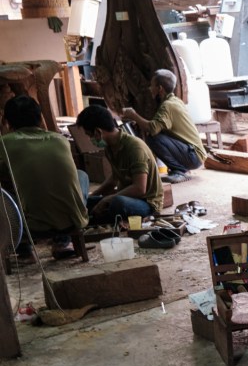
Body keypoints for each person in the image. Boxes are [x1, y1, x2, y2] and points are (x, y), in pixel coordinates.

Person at [0, 95, 88, 260]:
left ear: (7, 121)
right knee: (81, 175)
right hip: (73, 220)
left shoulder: (5, 142)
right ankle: (63, 242)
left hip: (33, 226)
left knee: (5, 194)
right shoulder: (60, 140)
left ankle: (23, 248)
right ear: (40, 118)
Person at [75, 105, 163, 223]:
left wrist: (108, 199)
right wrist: (91, 197)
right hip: (127, 198)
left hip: (147, 203)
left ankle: (100, 219)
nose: (91, 139)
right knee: (87, 203)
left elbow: (140, 188)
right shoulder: (110, 148)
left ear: (98, 132)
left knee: (117, 203)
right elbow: (113, 180)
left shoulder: (135, 147)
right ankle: (99, 217)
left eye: (90, 135)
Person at [121, 69, 206, 184]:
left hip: (193, 156)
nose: (150, 88)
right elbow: (157, 125)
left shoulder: (167, 106)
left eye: (152, 85)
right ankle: (181, 169)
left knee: (153, 138)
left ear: (160, 88)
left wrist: (134, 115)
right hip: (194, 154)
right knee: (156, 135)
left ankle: (179, 171)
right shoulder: (174, 101)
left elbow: (152, 128)